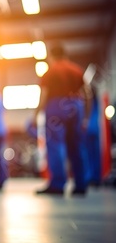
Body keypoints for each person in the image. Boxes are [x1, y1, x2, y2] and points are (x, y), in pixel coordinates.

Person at [33, 43, 91, 195]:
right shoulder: (76, 70)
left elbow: (44, 95)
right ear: (65, 55)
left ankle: (58, 185)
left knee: (55, 146)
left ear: (52, 56)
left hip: (56, 107)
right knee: (77, 146)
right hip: (76, 106)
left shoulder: (50, 71)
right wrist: (85, 116)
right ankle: (81, 184)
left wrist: (36, 114)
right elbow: (87, 94)